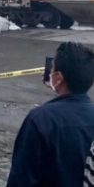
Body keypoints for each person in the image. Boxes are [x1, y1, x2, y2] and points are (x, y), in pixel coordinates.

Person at [7, 41, 94, 187]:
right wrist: (58, 87)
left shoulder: (40, 119)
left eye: (52, 69)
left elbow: (21, 179)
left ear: (58, 77)